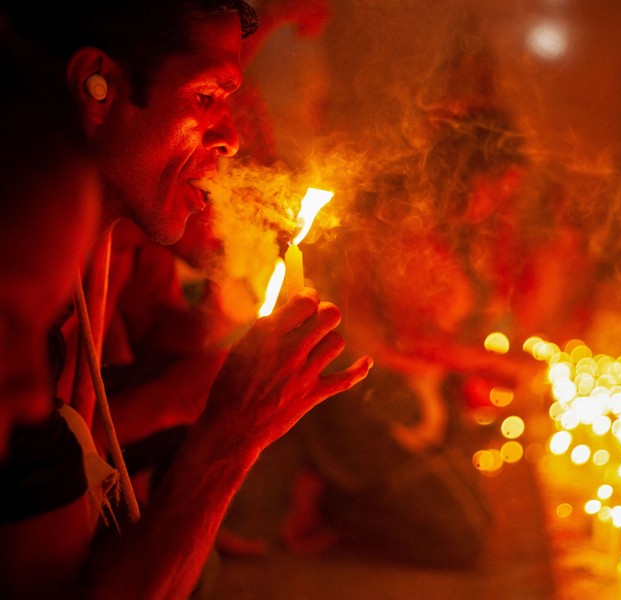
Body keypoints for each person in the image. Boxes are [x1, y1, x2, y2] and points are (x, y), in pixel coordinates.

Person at [0, 1, 371, 597]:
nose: (231, 138)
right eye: (206, 98)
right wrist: (231, 432)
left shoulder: (80, 266)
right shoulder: (30, 267)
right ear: (98, 86)